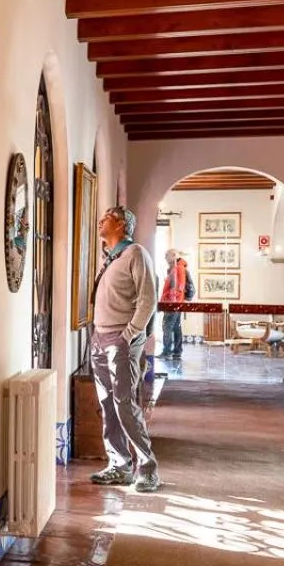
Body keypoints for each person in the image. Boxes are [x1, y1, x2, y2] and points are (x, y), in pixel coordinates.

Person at [88, 206, 161, 493]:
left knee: (125, 404)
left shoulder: (135, 254)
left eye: (105, 217)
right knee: (107, 404)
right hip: (100, 339)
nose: (100, 221)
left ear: (120, 224)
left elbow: (148, 300)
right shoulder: (110, 257)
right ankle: (119, 465)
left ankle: (148, 469)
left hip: (121, 340)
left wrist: (128, 335)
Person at [159, 249, 194, 361]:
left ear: (173, 256)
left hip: (172, 303)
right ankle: (177, 352)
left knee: (167, 326)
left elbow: (177, 288)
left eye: (166, 255)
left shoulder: (178, 269)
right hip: (177, 302)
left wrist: (168, 300)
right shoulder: (180, 268)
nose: (165, 257)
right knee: (176, 326)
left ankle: (167, 351)